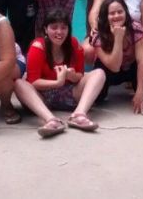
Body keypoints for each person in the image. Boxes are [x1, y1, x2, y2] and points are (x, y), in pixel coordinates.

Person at [13, 9, 106, 138]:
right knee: (19, 83)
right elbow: (33, 81)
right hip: (43, 97)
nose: (59, 32)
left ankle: (79, 114)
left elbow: (80, 74)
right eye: (54, 27)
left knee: (99, 73)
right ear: (45, 29)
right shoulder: (37, 47)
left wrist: (71, 76)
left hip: (69, 93)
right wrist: (57, 82)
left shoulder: (74, 44)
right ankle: (51, 120)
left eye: (63, 28)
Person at [91, 0, 143, 114]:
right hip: (109, 70)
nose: (116, 16)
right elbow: (114, 66)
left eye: (120, 12)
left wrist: (140, 92)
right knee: (97, 97)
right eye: (112, 13)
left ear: (126, 12)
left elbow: (141, 61)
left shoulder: (136, 29)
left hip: (131, 67)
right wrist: (118, 38)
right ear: (106, 16)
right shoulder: (98, 35)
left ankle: (136, 88)